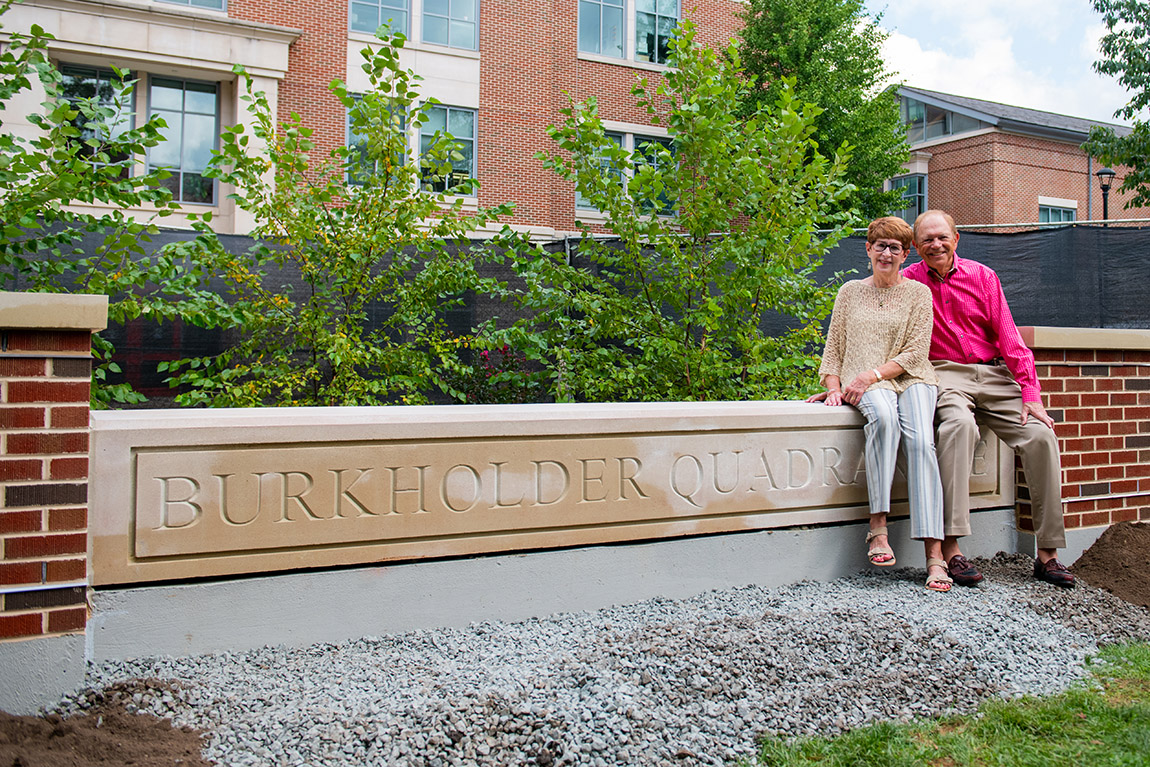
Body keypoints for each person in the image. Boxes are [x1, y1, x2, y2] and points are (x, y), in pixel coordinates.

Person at [905, 210, 1074, 588]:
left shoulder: (983, 277)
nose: (935, 244)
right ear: (915, 247)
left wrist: (1031, 394)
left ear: (956, 239)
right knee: (958, 427)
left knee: (1041, 436)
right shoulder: (908, 282)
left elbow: (1010, 339)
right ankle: (952, 547)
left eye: (942, 237)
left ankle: (1047, 554)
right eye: (927, 240)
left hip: (994, 373)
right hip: (944, 373)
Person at [808, 217, 951, 592]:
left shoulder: (919, 294)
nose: (886, 253)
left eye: (895, 248)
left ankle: (934, 555)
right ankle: (878, 527)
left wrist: (869, 375)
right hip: (865, 384)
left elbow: (916, 352)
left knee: (921, 441)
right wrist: (834, 386)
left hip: (909, 377)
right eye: (880, 245)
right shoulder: (849, 292)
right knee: (884, 420)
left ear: (906, 254)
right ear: (868, 249)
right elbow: (833, 348)